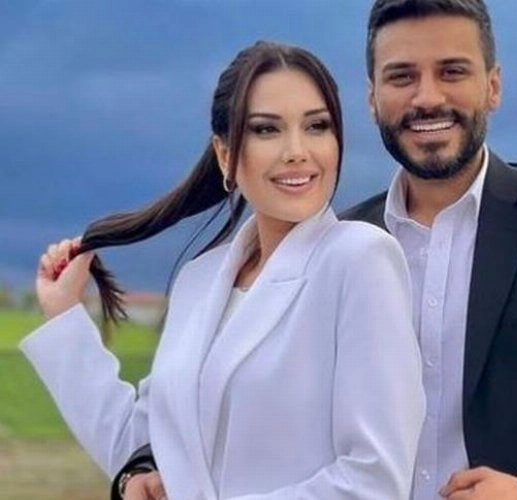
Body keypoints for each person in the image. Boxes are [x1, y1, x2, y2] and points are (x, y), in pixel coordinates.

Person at [112, 1, 517, 499]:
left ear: (493, 85)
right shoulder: (337, 244)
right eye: (401, 77)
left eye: (452, 71)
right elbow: (231, 386)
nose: (427, 97)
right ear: (372, 98)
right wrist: (145, 463)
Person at [20, 41, 426, 500]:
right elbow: (141, 443)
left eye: (317, 126)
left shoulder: (360, 259)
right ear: (224, 153)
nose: (297, 151)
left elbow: (376, 479)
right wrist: (65, 315)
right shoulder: (199, 279)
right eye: (266, 129)